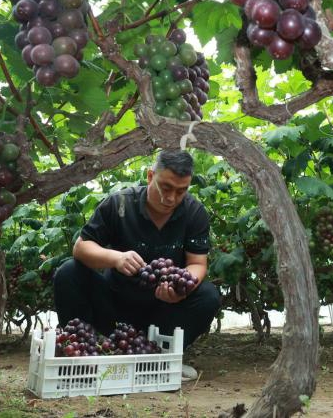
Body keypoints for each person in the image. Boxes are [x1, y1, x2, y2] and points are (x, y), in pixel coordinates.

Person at [53, 149, 221, 380]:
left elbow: (197, 264)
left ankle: (162, 357)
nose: (171, 198)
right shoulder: (119, 203)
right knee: (68, 272)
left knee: (208, 295)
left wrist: (182, 289)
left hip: (162, 312)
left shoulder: (194, 212)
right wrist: (116, 258)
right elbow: (81, 248)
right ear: (150, 176)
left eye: (181, 191)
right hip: (113, 307)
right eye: (166, 187)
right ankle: (83, 354)